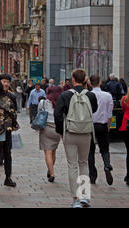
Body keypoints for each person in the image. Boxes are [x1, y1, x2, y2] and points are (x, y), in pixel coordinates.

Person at [54, 69, 98, 208]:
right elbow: (94, 109)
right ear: (85, 79)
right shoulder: (91, 95)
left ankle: (75, 199)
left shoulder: (65, 95)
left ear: (73, 79)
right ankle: (85, 196)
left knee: (72, 165)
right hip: (86, 133)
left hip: (70, 132)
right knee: (84, 163)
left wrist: (61, 131)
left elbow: (57, 114)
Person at [88, 75, 115, 186]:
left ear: (90, 83)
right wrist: (108, 125)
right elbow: (110, 113)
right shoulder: (107, 95)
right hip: (102, 125)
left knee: (90, 151)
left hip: (90, 125)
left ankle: (92, 175)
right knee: (104, 148)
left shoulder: (88, 95)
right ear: (100, 82)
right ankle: (107, 165)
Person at [38, 86, 62, 183]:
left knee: (47, 152)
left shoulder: (43, 102)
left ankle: (51, 173)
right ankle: (50, 170)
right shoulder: (60, 103)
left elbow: (39, 114)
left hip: (46, 128)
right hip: (57, 129)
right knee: (53, 151)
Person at [0, 73, 18, 187]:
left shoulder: (12, 96)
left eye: (7, 81)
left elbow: (15, 112)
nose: (5, 84)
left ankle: (8, 177)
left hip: (7, 130)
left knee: (7, 153)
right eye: (3, 81)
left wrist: (14, 123)